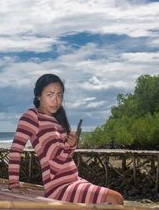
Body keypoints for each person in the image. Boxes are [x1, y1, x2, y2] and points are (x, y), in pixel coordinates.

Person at [8, 74, 124, 204]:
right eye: (50, 95)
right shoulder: (31, 117)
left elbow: (65, 156)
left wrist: (72, 144)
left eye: (59, 95)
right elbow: (15, 151)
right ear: (38, 96)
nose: (56, 100)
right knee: (115, 198)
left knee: (116, 199)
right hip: (57, 187)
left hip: (74, 179)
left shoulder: (58, 119)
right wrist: (14, 185)